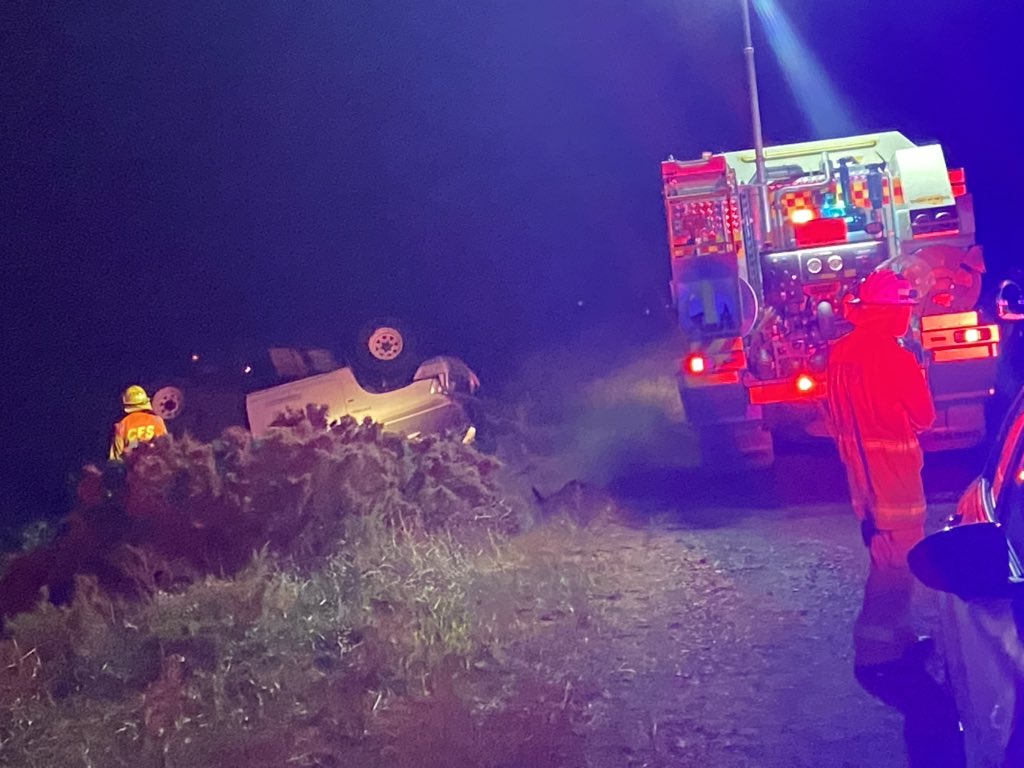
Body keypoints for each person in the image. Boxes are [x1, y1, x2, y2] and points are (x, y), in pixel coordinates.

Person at [827, 269, 936, 669]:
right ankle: (881, 651)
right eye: (903, 308)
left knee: (884, 557)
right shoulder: (895, 356)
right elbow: (924, 417)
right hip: (896, 480)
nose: (907, 315)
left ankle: (894, 642)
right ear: (887, 312)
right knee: (899, 567)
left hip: (863, 481)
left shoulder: (840, 354)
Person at [109, 385, 167, 460]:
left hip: (133, 469)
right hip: (156, 467)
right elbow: (167, 448)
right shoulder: (157, 421)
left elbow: (115, 459)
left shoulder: (122, 425)